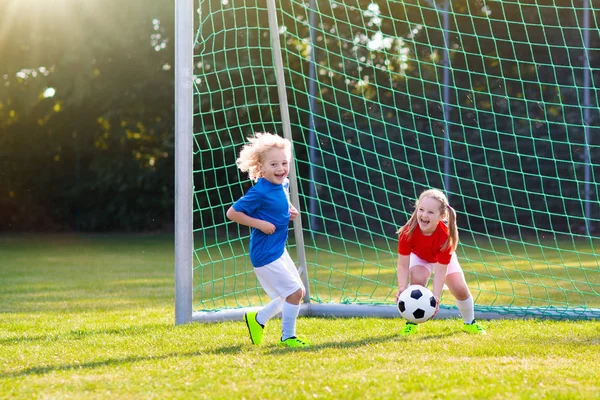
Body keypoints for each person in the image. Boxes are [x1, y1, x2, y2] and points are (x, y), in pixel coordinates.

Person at [226, 132, 310, 348]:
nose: (280, 168)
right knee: (294, 292)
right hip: (265, 254)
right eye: (274, 164)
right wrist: (260, 224)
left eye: (284, 163)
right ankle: (288, 337)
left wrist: (289, 210)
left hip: (278, 249)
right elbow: (232, 213)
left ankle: (258, 320)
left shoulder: (283, 184)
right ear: (261, 167)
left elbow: (279, 203)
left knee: (292, 292)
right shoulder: (259, 191)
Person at [396, 188, 486, 336]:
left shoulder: (445, 236)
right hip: (420, 258)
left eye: (430, 212)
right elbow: (402, 265)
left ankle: (470, 322)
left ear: (441, 215)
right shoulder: (408, 232)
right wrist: (402, 287)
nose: (424, 215)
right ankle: (411, 322)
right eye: (421, 210)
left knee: (459, 289)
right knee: (417, 280)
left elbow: (440, 270)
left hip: (443, 261)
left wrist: (436, 296)